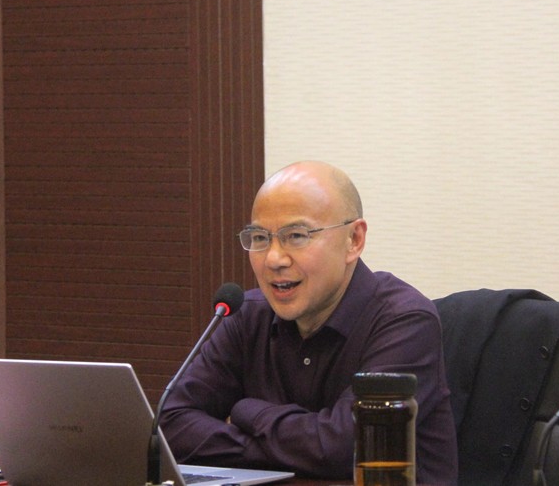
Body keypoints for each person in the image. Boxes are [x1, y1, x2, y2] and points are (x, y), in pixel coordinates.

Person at [160, 160, 458, 484]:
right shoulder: (246, 316)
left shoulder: (405, 322)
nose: (274, 258)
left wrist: (246, 411)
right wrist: (279, 446)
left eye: (296, 236)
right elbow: (169, 424)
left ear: (354, 240)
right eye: (260, 237)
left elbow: (344, 447)